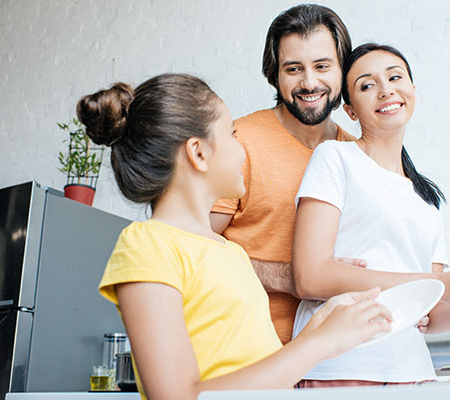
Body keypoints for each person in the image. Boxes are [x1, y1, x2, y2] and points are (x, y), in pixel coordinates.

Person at [78, 74, 393, 400]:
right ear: (198, 153)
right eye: (231, 135)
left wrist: (321, 328)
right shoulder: (148, 244)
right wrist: (319, 343)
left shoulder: (231, 253)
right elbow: (176, 397)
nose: (242, 150)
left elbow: (259, 371)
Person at [291, 43, 450, 387]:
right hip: (342, 368)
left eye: (395, 77)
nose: (386, 89)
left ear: (412, 89)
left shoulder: (426, 198)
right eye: (367, 85)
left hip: (412, 372)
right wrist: (442, 284)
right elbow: (310, 277)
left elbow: (431, 311)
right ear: (350, 110)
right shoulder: (334, 158)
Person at [209, 4, 359, 345]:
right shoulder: (237, 142)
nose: (309, 83)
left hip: (336, 360)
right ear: (275, 74)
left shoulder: (356, 155)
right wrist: (286, 276)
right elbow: (191, 243)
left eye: (322, 66)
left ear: (342, 70)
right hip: (246, 357)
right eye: (294, 69)